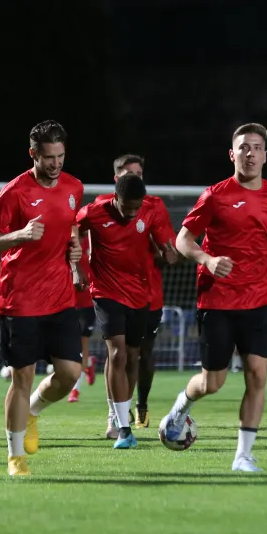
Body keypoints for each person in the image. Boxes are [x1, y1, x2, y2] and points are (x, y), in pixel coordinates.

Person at [159, 123, 267, 473]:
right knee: (213, 382)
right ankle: (182, 404)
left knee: (257, 375)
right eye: (244, 147)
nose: (250, 153)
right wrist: (207, 259)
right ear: (232, 154)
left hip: (259, 299)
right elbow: (182, 240)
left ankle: (243, 456)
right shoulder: (215, 195)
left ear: (265, 155)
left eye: (256, 147)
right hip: (217, 301)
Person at [0, 120, 84, 477]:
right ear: (33, 154)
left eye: (61, 156)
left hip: (60, 295)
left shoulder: (74, 187)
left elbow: (68, 225)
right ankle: (15, 456)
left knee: (70, 373)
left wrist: (73, 245)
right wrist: (19, 235)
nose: (56, 164)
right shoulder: (15, 192)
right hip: (20, 297)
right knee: (22, 376)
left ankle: (34, 410)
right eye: (48, 157)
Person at [77, 172, 176, 449]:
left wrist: (169, 254)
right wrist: (77, 264)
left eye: (136, 208)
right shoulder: (94, 212)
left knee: (133, 357)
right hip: (105, 292)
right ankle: (121, 426)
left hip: (140, 293)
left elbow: (165, 246)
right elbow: (70, 228)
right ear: (115, 197)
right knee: (117, 353)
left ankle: (124, 412)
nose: (132, 213)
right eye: (127, 207)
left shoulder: (149, 212)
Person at [112, 154, 177, 429]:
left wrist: (164, 250)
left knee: (143, 354)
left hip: (149, 293)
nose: (136, 177)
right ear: (117, 179)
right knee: (118, 354)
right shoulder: (103, 207)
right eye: (130, 173)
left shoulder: (155, 206)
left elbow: (170, 253)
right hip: (114, 294)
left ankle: (141, 406)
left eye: (139, 173)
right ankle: (117, 414)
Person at [66, 231, 98, 404]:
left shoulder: (90, 244)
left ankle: (75, 390)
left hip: (87, 304)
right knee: (71, 348)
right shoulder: (64, 245)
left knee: (80, 345)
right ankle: (89, 364)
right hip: (67, 303)